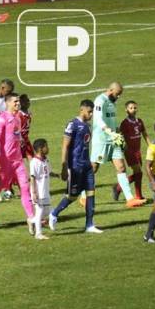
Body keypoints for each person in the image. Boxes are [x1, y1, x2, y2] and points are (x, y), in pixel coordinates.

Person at [0, 94, 34, 229]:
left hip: (17, 161)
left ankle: (31, 217)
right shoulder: (1, 118)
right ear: (8, 103)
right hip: (4, 162)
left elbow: (17, 136)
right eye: (15, 101)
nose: (18, 103)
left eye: (18, 101)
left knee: (25, 187)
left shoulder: (18, 118)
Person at [50, 100, 99, 234]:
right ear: (82, 110)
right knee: (72, 196)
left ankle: (89, 225)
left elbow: (87, 146)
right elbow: (65, 146)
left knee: (91, 194)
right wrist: (64, 167)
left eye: (92, 112)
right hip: (75, 166)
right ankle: (54, 213)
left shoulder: (88, 126)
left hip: (87, 166)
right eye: (89, 111)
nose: (91, 114)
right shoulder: (73, 125)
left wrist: (93, 161)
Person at [93, 82, 144, 207]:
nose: (119, 97)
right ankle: (83, 195)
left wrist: (117, 134)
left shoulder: (112, 103)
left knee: (121, 167)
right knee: (93, 168)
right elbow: (98, 118)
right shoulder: (100, 101)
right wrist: (108, 131)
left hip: (114, 139)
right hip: (101, 140)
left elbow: (113, 120)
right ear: (110, 90)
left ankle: (130, 199)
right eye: (117, 94)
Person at [113, 100, 149, 203]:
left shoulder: (139, 121)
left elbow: (144, 134)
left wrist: (150, 146)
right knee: (138, 172)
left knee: (138, 173)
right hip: (129, 151)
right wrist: (123, 147)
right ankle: (138, 196)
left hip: (137, 151)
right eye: (131, 108)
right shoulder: (125, 123)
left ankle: (119, 187)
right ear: (126, 110)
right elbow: (119, 135)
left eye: (135, 108)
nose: (133, 110)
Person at [29, 138, 54, 240]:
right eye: (46, 146)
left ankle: (31, 221)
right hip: (38, 191)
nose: (47, 148)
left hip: (45, 190)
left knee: (47, 211)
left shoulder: (46, 160)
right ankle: (38, 234)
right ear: (40, 149)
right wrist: (34, 192)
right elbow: (32, 178)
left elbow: (48, 171)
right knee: (39, 211)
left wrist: (58, 175)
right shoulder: (34, 162)